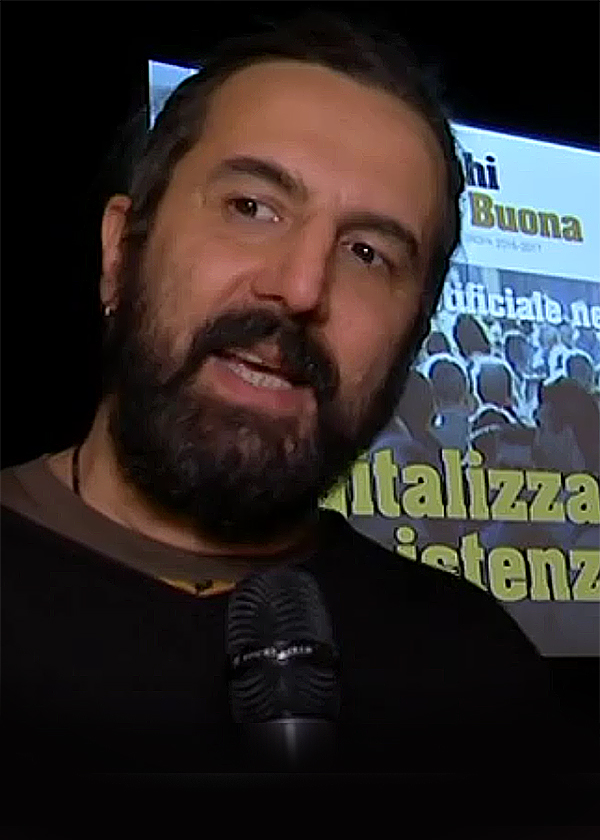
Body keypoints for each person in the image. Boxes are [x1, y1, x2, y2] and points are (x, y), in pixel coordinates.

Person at [1, 12, 589, 788]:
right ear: (121, 250)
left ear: (413, 337)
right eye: (252, 208)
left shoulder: (481, 679)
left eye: (368, 253)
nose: (303, 287)